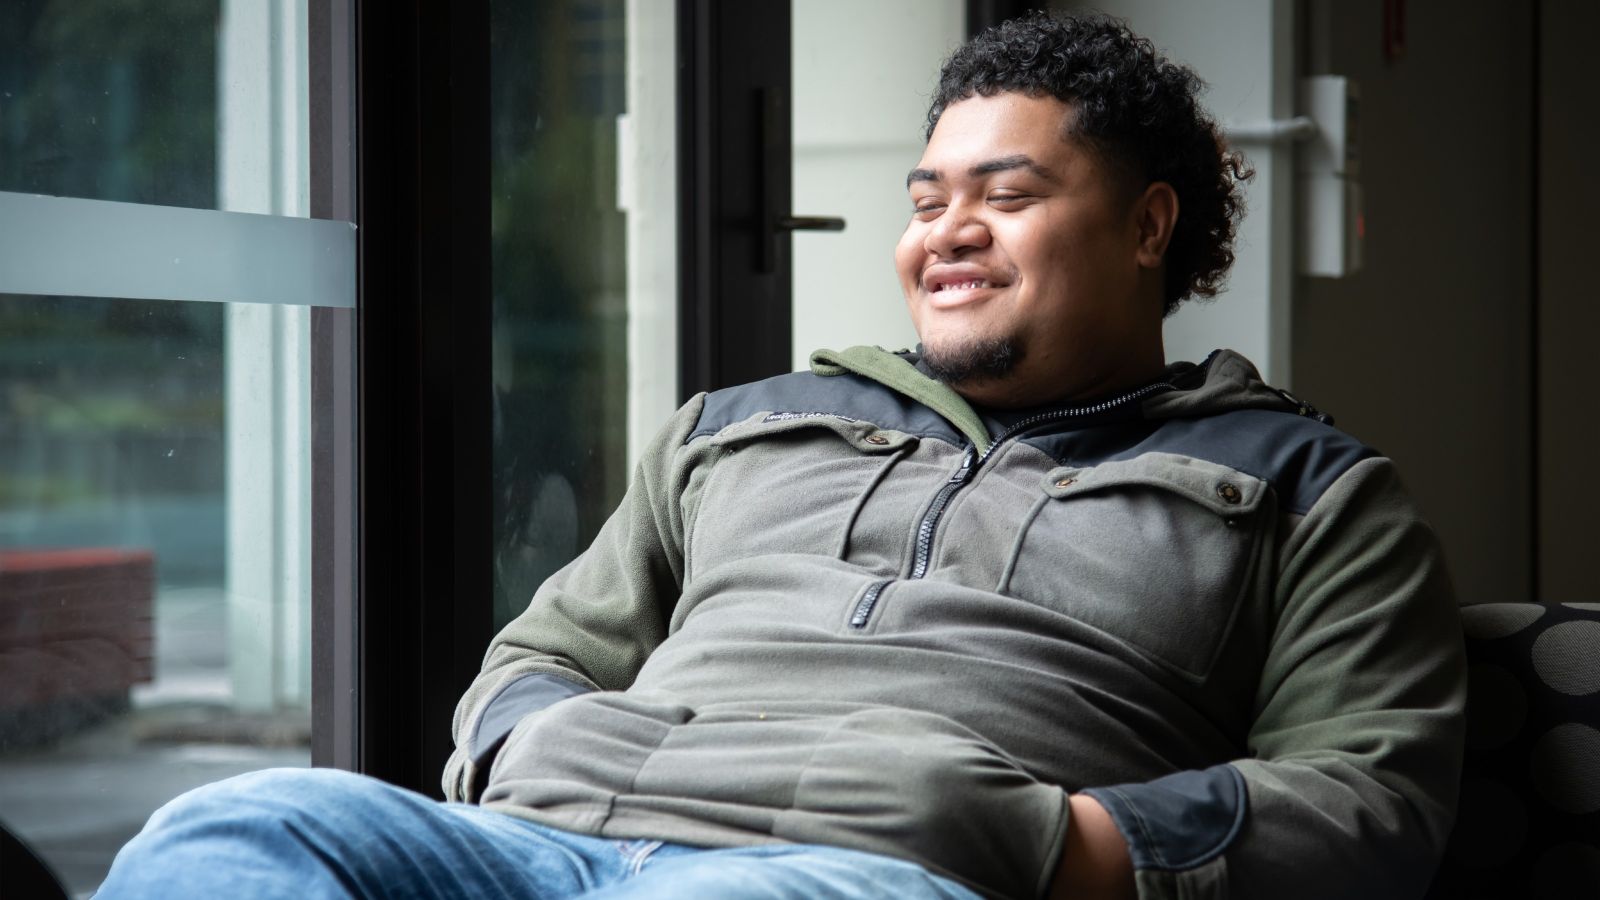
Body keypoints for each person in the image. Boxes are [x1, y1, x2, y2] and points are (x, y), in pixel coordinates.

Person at [100, 13, 1465, 900]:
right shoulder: (741, 427)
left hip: (858, 875)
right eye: (928, 200)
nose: (949, 232)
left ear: (1149, 225)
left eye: (1008, 195)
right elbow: (538, 658)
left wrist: (1056, 845)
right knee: (241, 831)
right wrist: (546, 736)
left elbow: (1370, 800)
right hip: (547, 846)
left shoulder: (1304, 488)